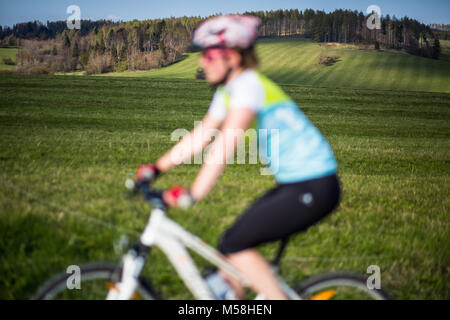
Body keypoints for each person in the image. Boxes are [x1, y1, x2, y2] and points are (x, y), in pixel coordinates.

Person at [136, 14, 341, 300]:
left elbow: (225, 144)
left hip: (314, 186)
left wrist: (193, 193)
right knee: (227, 250)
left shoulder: (248, 87)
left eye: (208, 55)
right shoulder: (230, 91)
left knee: (235, 245)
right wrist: (156, 168)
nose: (201, 62)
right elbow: (202, 134)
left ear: (230, 56)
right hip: (296, 184)